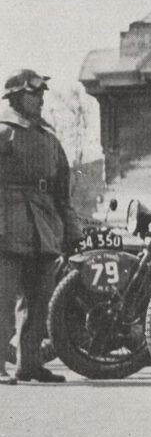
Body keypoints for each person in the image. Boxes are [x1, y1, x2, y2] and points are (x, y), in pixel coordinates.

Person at [0, 69, 81, 384]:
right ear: (17, 96)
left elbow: (62, 191)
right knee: (3, 299)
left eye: (42, 94)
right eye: (34, 94)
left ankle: (29, 364)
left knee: (39, 299)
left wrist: (71, 230)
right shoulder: (3, 132)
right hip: (8, 224)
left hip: (44, 226)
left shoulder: (48, 137)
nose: (41, 99)